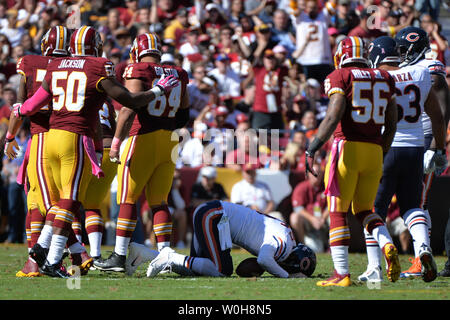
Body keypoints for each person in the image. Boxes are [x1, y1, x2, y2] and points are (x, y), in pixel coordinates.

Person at [14, 26, 179, 278]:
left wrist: (18, 114)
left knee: (59, 202)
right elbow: (129, 101)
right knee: (71, 200)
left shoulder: (54, 66)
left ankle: (41, 248)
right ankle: (53, 257)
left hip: (48, 139)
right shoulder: (97, 66)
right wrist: (158, 90)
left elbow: (33, 104)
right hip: (76, 138)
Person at [305, 36, 400, 287]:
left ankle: (341, 274)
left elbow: (334, 113)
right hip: (374, 151)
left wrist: (312, 147)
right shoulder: (385, 77)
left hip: (347, 148)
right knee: (365, 211)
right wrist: (381, 149)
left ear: (341, 55)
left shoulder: (340, 76)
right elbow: (392, 122)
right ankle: (387, 243)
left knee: (337, 212)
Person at [94, 32, 189, 272]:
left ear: (137, 50)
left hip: (142, 139)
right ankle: (164, 256)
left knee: (127, 198)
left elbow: (128, 109)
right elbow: (184, 115)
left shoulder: (137, 69)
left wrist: (116, 141)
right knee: (160, 202)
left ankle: (119, 255)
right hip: (169, 141)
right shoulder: (178, 73)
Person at [358, 36, 446, 283]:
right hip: (416, 147)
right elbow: (437, 117)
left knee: (374, 209)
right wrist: (439, 149)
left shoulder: (376, 77)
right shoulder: (421, 73)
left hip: (386, 147)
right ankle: (422, 249)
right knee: (412, 206)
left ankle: (374, 266)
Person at [4, 26, 87, 278]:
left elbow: (21, 106)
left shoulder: (30, 63)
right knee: (62, 201)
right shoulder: (76, 66)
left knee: (42, 203)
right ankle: (73, 252)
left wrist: (9, 136)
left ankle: (44, 258)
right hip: (73, 137)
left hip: (41, 139)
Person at [126, 200, 317, 279]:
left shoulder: (287, 238)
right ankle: (167, 256)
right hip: (214, 215)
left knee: (198, 270)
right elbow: (264, 260)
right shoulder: (283, 244)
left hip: (213, 215)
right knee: (222, 270)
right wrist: (286, 276)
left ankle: (144, 254)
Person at [394, 26, 450, 279]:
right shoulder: (411, 68)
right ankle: (419, 254)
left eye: (405, 49)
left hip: (425, 139)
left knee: (419, 200)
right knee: (411, 200)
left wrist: (437, 146)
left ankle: (420, 258)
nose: (401, 53)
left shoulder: (431, 66)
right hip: (409, 139)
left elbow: (442, 108)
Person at [292, 0, 335, 83]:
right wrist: (301, 6)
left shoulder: (323, 16)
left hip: (323, 60)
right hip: (305, 61)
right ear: (306, 8)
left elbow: (332, 4)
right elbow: (294, 11)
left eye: (314, 7)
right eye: (310, 7)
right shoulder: (301, 17)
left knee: (325, 88)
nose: (312, 10)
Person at [290, 162, 329, 252]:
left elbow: (332, 204)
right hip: (308, 222)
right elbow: (298, 208)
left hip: (323, 220)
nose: (316, 175)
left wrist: (323, 217)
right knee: (294, 217)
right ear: (308, 174)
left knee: (336, 214)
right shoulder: (301, 187)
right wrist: (312, 219)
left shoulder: (326, 187)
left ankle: (332, 246)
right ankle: (303, 247)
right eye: (314, 172)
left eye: (319, 172)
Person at [247, 49, 288, 130]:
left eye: (272, 58)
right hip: (260, 110)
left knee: (275, 139)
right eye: (268, 58)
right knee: (261, 138)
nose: (270, 60)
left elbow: (292, 60)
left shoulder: (281, 71)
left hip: (276, 111)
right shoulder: (258, 70)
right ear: (263, 60)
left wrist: (279, 58)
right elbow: (250, 58)